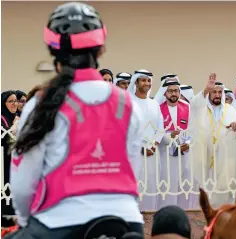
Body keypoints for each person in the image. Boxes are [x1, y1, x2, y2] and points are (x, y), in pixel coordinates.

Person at [10, 2, 145, 238]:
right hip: (127, 223)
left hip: (57, 224)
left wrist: (24, 222)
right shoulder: (128, 103)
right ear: (100, 49)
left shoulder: (40, 104)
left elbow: (22, 185)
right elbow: (133, 170)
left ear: (53, 50)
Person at [189, 73, 236, 207]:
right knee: (204, 190)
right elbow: (195, 103)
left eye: (220, 92)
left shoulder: (230, 110)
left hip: (224, 158)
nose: (217, 95)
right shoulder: (201, 109)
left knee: (223, 192)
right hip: (204, 156)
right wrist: (206, 89)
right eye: (214, 92)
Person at [156, 80, 197, 209]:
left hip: (185, 153)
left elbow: (193, 128)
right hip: (166, 154)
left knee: (184, 185)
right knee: (168, 186)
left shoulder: (187, 106)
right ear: (165, 93)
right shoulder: (158, 108)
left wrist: (188, 142)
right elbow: (157, 130)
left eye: (176, 91)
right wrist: (170, 138)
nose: (174, 93)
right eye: (170, 91)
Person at [127, 69, 163, 211]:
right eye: (143, 80)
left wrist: (154, 144)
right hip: (135, 153)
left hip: (152, 153)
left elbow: (161, 127)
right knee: (135, 185)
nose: (146, 83)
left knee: (151, 186)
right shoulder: (129, 102)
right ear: (136, 82)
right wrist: (141, 146)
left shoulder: (154, 104)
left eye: (148, 81)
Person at [1, 90, 19, 227]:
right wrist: (14, 126)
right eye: (10, 101)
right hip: (4, 160)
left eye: (15, 101)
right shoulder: (2, 118)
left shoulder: (16, 116)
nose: (14, 104)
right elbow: (6, 137)